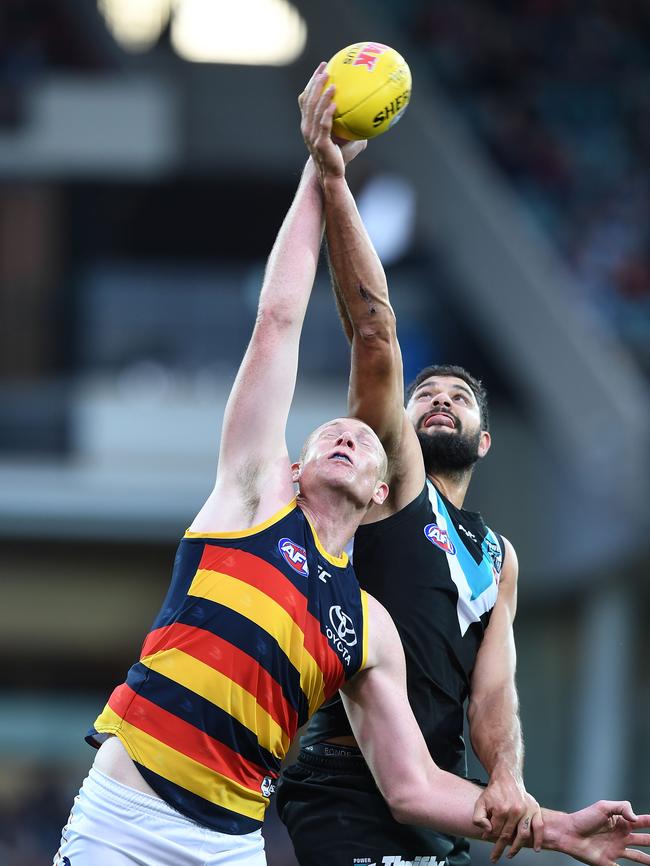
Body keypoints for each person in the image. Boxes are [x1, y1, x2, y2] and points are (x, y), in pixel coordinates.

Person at [53, 65, 650, 866]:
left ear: (380, 491)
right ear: (295, 469)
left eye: (365, 442)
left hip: (229, 845)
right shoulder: (251, 500)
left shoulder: (368, 627)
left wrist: (556, 829)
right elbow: (279, 318)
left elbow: (414, 787)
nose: (351, 434)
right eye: (334, 432)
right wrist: (323, 164)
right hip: (124, 817)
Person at [277, 68, 646, 866]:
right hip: (348, 781)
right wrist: (336, 181)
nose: (437, 401)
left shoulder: (494, 557)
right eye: (423, 396)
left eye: (458, 399)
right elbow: (374, 333)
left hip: (440, 799)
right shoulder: (389, 488)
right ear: (397, 429)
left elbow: (492, 694)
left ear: (484, 441)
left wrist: (509, 777)